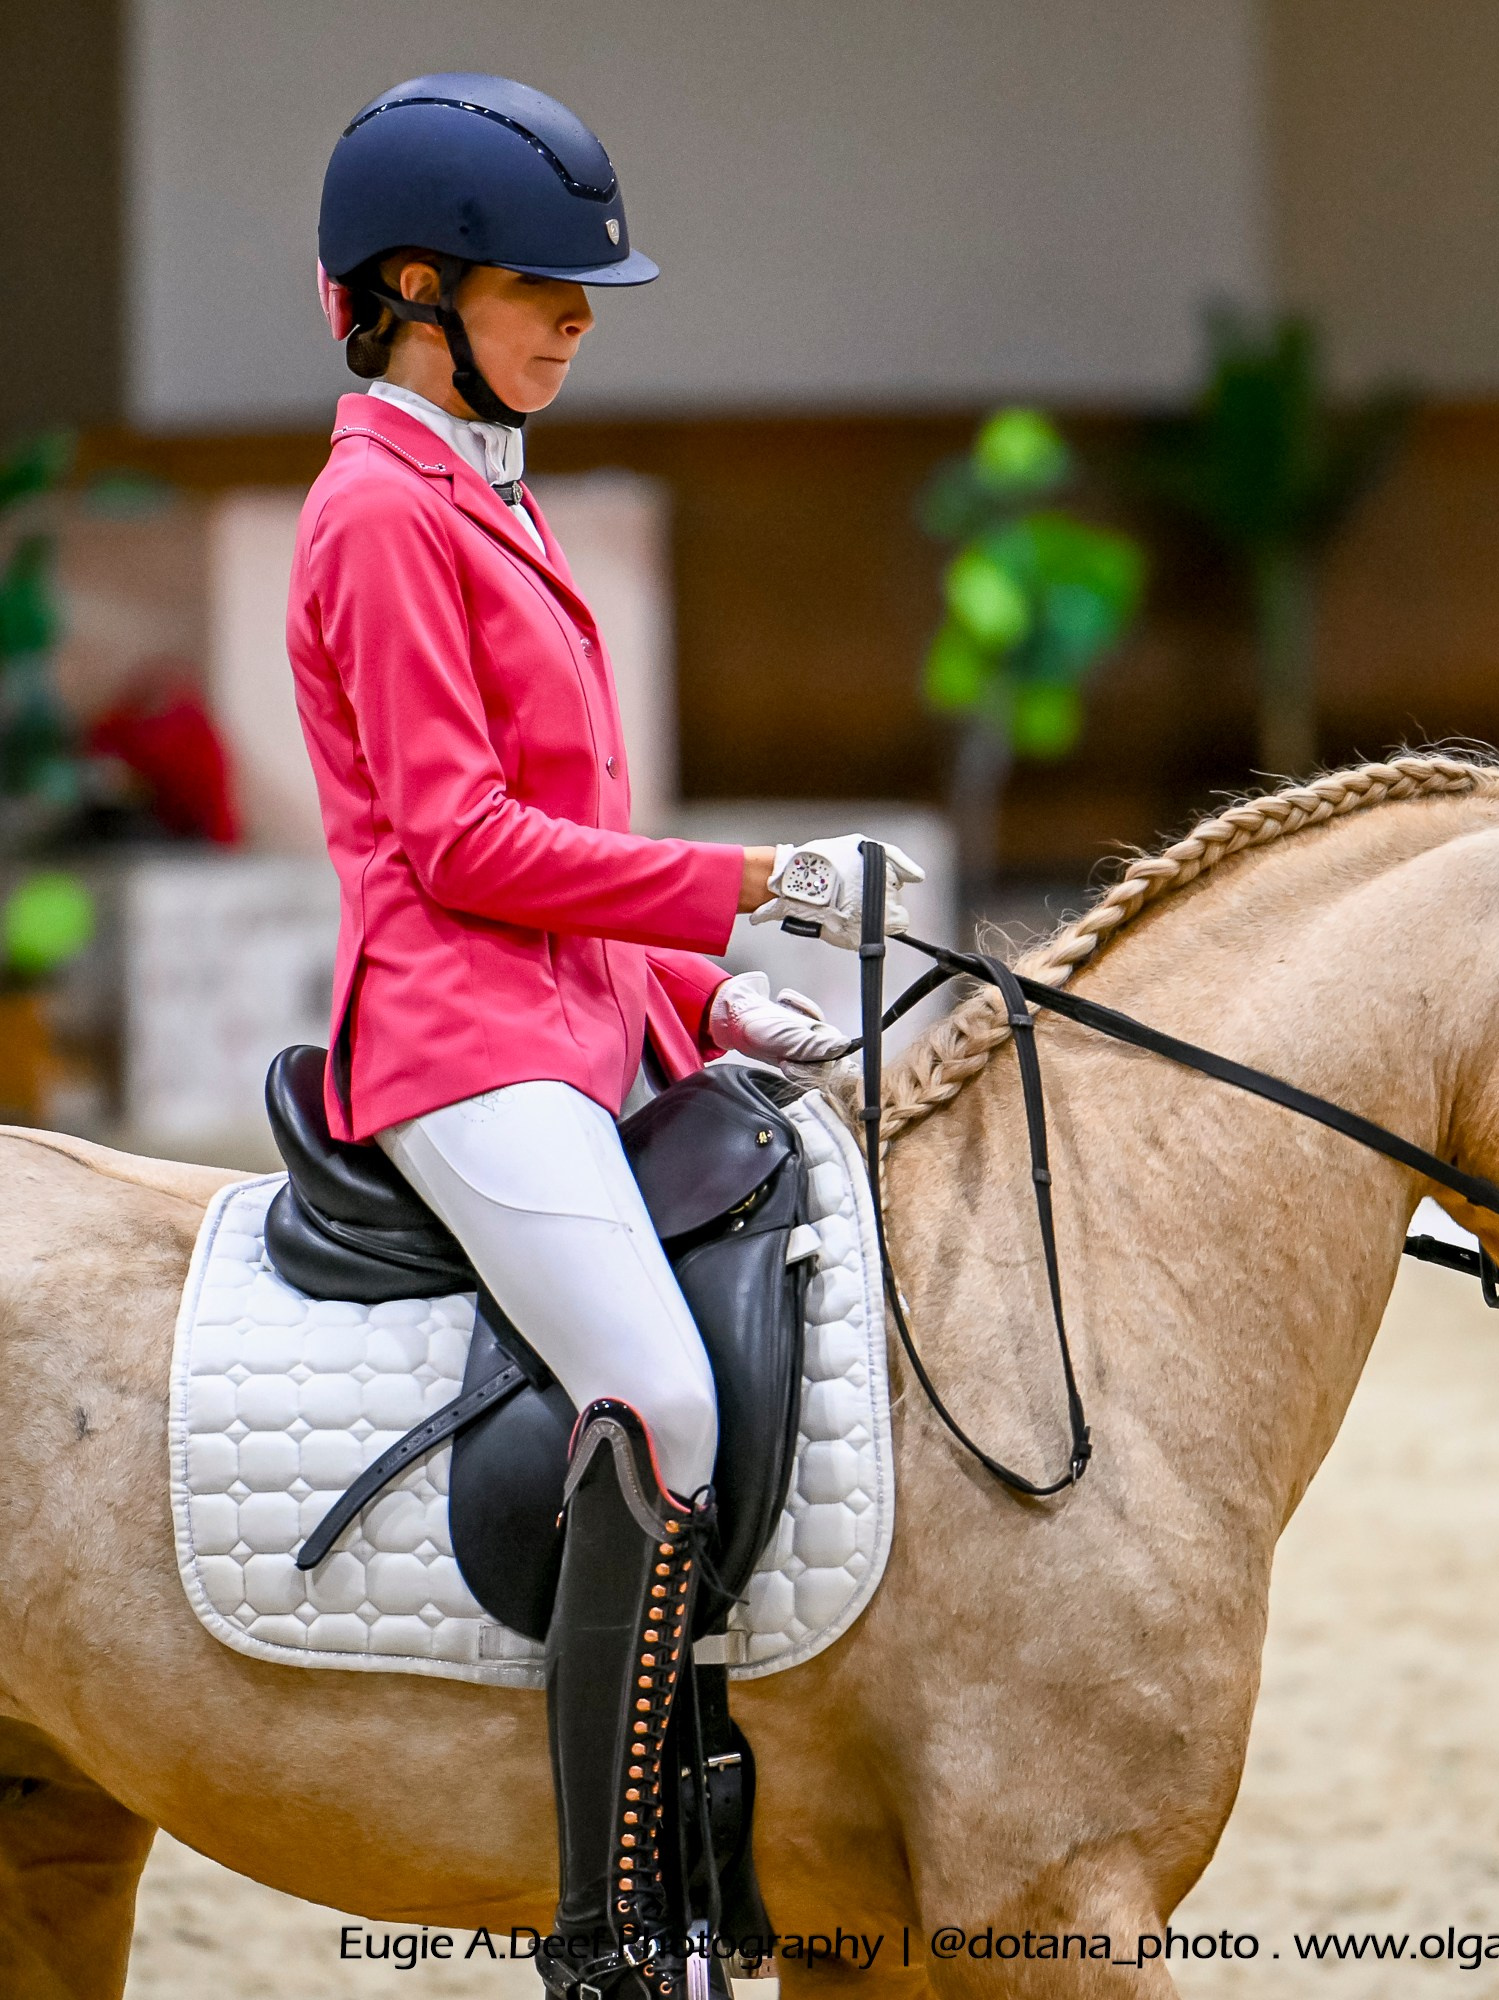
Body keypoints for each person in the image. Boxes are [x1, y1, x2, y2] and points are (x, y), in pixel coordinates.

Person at [290, 73, 924, 1999]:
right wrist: (751, 885)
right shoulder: (378, 515)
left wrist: (706, 999)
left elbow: (566, 847)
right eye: (541, 290)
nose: (578, 322)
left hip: (581, 1017)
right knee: (662, 1397)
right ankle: (614, 1934)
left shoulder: (483, 489)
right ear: (414, 294)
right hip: (461, 1045)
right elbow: (464, 846)